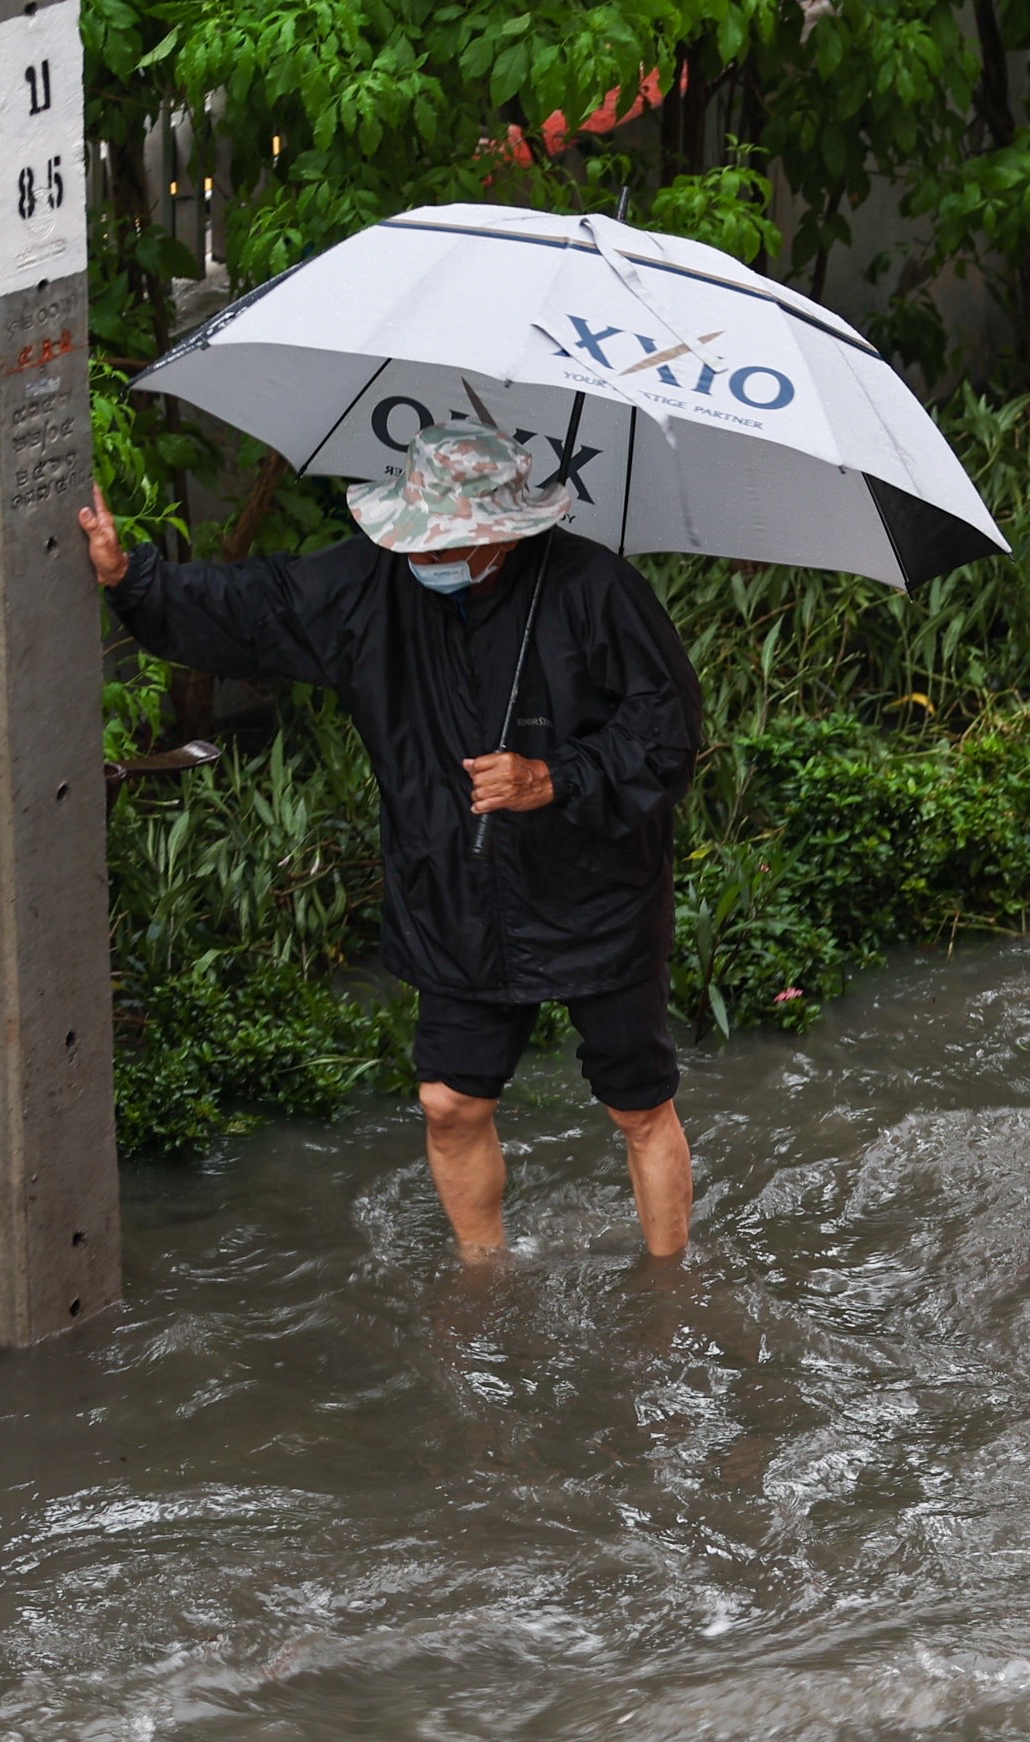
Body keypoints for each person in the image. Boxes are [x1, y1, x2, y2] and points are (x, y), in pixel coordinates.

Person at [79, 417, 704, 1259]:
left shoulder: (597, 589)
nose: (421, 557)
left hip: (597, 893)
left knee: (638, 1105)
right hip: (453, 889)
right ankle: (483, 1282)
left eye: (440, 541)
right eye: (414, 538)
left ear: (501, 536)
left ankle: (671, 1286)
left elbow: (667, 733)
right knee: (449, 1103)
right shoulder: (374, 585)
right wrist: (133, 578)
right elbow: (255, 608)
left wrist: (555, 779)